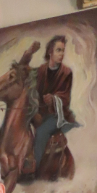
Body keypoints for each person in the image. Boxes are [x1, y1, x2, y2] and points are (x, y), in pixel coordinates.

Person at [32, 35, 80, 169]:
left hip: (57, 114)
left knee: (41, 132)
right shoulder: (41, 70)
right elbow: (34, 89)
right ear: (50, 52)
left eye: (63, 50)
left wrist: (53, 99)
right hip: (40, 111)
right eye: (58, 50)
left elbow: (65, 96)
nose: (62, 54)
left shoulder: (66, 73)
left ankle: (35, 168)